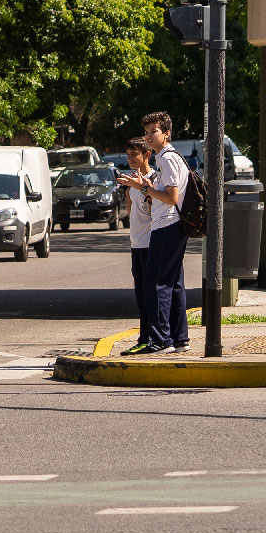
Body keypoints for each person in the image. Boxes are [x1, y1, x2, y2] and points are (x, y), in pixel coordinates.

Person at [117, 111, 190, 355]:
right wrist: (142, 187)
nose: (148, 136)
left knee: (155, 283)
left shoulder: (166, 159)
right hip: (173, 225)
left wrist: (145, 189)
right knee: (173, 283)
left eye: (153, 132)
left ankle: (161, 340)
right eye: (147, 132)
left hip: (166, 224)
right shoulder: (172, 156)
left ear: (166, 133)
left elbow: (171, 198)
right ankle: (179, 338)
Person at [118, 137, 155, 352]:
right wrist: (129, 193)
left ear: (147, 155)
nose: (131, 159)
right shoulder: (131, 181)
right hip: (137, 243)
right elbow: (132, 215)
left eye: (135, 154)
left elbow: (155, 211)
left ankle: (153, 337)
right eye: (128, 154)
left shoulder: (154, 179)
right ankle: (144, 337)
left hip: (151, 243)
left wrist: (142, 189)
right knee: (141, 294)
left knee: (151, 293)